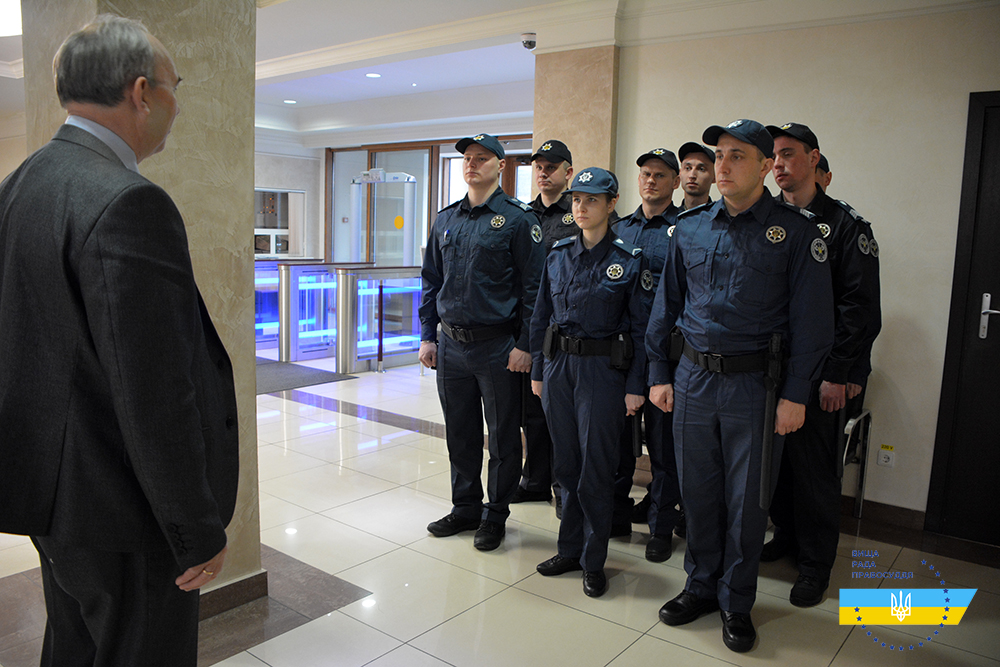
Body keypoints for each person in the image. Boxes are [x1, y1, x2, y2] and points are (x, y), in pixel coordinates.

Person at [0, 16, 238, 666]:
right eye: (173, 86)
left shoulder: (20, 185)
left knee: (74, 646)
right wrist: (194, 529)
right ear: (140, 92)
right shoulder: (129, 203)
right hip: (126, 511)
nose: (177, 104)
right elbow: (154, 392)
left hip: (56, 502)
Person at [646, 119, 833, 653]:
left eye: (736, 156)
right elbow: (666, 306)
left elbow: (814, 325)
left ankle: (736, 600)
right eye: (718, 155)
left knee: (748, 502)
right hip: (693, 379)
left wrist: (795, 395)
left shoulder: (796, 232)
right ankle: (700, 586)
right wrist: (658, 373)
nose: (722, 166)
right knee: (698, 492)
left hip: (757, 386)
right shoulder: (690, 228)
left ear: (765, 166)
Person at [763, 123, 881, 607]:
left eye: (789, 154)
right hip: (770, 369)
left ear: (814, 160)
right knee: (777, 466)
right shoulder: (767, 218)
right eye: (774, 156)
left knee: (815, 472)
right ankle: (787, 536)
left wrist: (838, 372)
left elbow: (859, 309)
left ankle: (815, 565)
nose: (779, 164)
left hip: (820, 373)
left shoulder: (846, 226)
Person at [530, 167, 652, 597]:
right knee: (565, 465)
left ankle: (594, 559)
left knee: (596, 470)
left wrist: (636, 385)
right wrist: (538, 370)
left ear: (612, 203)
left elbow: (642, 331)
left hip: (603, 372)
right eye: (577, 200)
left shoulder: (629, 259)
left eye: (592, 200)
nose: (581, 208)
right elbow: (541, 316)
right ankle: (569, 549)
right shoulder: (558, 254)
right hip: (559, 367)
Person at [420, 133, 544, 551]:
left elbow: (534, 289)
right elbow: (431, 281)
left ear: (501, 166)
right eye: (467, 158)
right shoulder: (446, 219)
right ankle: (466, 507)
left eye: (482, 158)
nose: (472, 164)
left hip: (498, 346)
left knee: (504, 436)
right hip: (451, 345)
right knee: (460, 432)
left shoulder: (518, 219)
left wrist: (525, 344)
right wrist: (427, 336)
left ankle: (495, 515)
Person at [611, 149, 682, 561]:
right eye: (645, 174)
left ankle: (661, 528)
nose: (651, 181)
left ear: (675, 182)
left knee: (663, 449)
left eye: (659, 175)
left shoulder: (685, 228)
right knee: (619, 445)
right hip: (621, 354)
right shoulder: (619, 228)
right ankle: (617, 515)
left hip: (666, 356)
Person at [511, 139, 575, 513]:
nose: (544, 173)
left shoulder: (579, 211)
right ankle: (535, 480)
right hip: (532, 328)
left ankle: (563, 487)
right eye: (539, 167)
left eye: (552, 167)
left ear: (568, 172)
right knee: (531, 413)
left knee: (562, 416)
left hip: (567, 328)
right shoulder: (523, 215)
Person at [677, 142, 716, 211]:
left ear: (715, 177)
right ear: (680, 173)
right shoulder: (670, 217)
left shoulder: (720, 217)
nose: (692, 175)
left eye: (701, 169)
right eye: (688, 168)